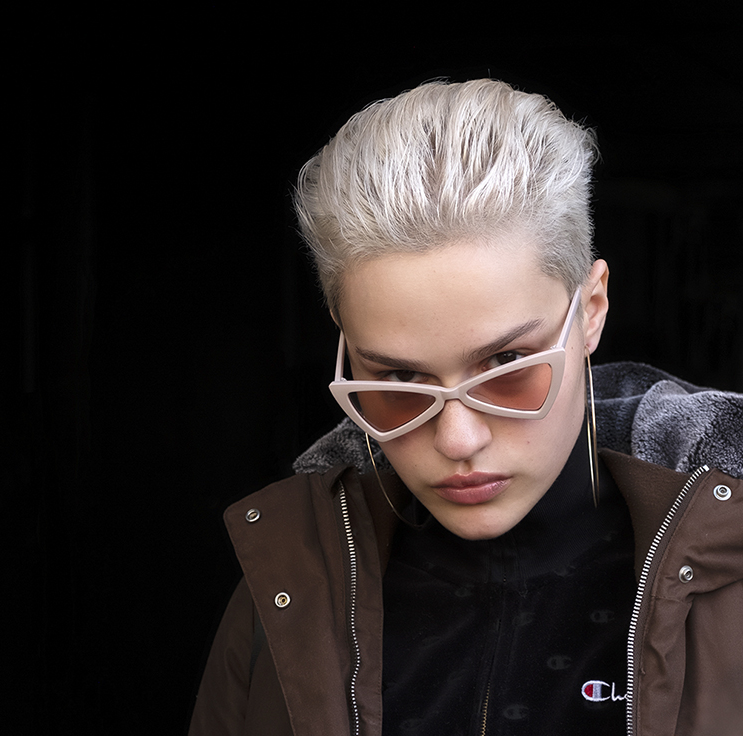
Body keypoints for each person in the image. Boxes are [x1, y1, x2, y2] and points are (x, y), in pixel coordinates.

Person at [188, 79, 743, 735]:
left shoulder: (728, 573)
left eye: (507, 365)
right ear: (345, 344)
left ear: (591, 310)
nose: (456, 438)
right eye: (399, 379)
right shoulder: (289, 583)